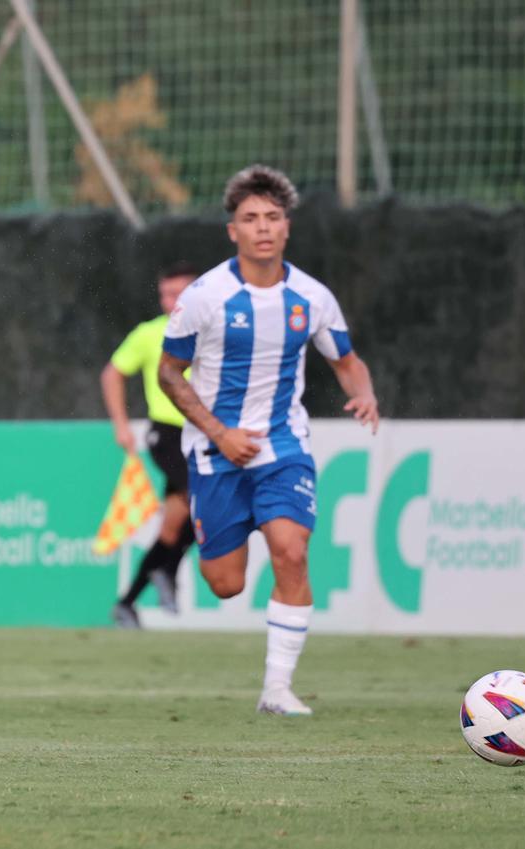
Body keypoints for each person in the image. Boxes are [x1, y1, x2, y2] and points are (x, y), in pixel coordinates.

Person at [158, 165, 379, 716]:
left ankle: (277, 691)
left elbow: (347, 362)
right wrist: (219, 433)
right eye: (250, 218)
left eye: (273, 217)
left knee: (292, 550)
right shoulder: (205, 297)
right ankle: (230, 528)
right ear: (232, 230)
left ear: (287, 227)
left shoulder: (311, 297)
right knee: (226, 583)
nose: (263, 227)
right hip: (215, 452)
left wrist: (365, 394)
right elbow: (168, 374)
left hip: (284, 447)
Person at [101, 262, 199, 628]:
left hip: (203, 434)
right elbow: (113, 373)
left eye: (177, 294)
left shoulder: (210, 331)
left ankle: (127, 602)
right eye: (164, 294)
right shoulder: (149, 334)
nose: (169, 302)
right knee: (200, 500)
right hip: (167, 434)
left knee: (173, 527)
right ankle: (168, 570)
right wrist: (121, 425)